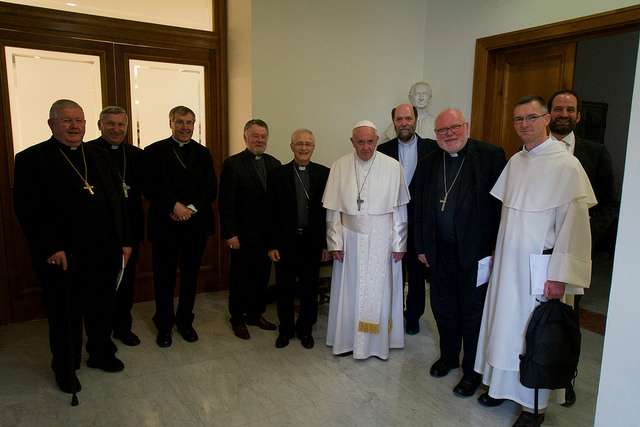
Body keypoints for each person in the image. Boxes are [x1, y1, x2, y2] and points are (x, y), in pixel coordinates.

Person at [474, 96, 596, 427]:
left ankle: (533, 407)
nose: (524, 124)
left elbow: (574, 231)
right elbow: (507, 217)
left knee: (535, 335)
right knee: (504, 327)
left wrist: (560, 276)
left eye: (531, 117)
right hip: (508, 266)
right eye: (518, 119)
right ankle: (500, 387)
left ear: (545, 120)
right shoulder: (515, 161)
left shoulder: (567, 165)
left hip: (540, 270)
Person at [13, 99, 132, 394]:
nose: (74, 126)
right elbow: (28, 210)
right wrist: (51, 247)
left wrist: (123, 241)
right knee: (65, 313)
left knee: (101, 306)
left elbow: (117, 200)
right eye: (67, 120)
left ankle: (100, 352)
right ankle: (64, 367)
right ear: (51, 124)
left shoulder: (98, 155)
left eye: (79, 120)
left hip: (104, 249)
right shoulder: (31, 158)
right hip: (63, 254)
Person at [413, 108, 505, 397]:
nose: (449, 134)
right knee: (442, 308)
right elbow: (418, 208)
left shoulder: (490, 156)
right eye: (442, 130)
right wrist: (421, 246)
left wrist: (494, 248)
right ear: (435, 135)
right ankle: (449, 357)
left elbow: (501, 207)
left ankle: (472, 370)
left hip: (475, 253)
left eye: (454, 127)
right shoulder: (428, 162)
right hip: (439, 252)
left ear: (466, 125)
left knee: (472, 313)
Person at [548, 89, 618, 407]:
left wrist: (586, 237)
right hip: (539, 250)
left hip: (574, 250)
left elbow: (607, 204)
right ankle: (534, 370)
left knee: (567, 317)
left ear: (578, 116)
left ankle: (565, 379)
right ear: (549, 114)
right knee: (537, 314)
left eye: (570, 109)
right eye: (558, 108)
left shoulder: (595, 153)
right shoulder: (534, 149)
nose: (564, 114)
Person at [323, 120, 410, 359]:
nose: (365, 147)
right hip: (350, 239)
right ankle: (348, 340)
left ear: (377, 141)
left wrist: (399, 244)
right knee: (350, 290)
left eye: (370, 141)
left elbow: (400, 209)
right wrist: (335, 242)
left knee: (380, 290)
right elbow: (333, 211)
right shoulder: (340, 166)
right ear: (352, 142)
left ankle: (376, 344)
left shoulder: (393, 167)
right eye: (360, 142)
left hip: (383, 238)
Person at [144, 106, 217, 348]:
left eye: (190, 122)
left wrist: (191, 209)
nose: (185, 127)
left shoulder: (203, 153)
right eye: (180, 122)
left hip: (194, 226)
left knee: (190, 277)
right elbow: (150, 187)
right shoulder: (154, 151)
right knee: (163, 277)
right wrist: (174, 206)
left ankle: (185, 321)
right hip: (165, 224)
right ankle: (164, 325)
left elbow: (210, 189)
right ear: (170, 123)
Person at [266, 129, 330, 349]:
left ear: (313, 147)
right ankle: (285, 330)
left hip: (311, 243)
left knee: (308, 290)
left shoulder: (324, 173)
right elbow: (271, 213)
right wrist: (271, 244)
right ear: (291, 146)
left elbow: (326, 214)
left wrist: (325, 244)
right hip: (285, 243)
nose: (304, 148)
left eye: (308, 144)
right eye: (299, 144)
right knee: (284, 289)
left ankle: (305, 330)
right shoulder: (277, 174)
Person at [378, 103, 437, 334]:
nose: (404, 123)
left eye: (408, 118)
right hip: (390, 221)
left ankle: (413, 316)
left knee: (416, 273)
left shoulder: (432, 148)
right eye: (399, 119)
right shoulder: (382, 150)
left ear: (415, 119)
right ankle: (390, 313)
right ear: (394, 122)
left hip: (420, 222)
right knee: (391, 270)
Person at [219, 119, 281, 339]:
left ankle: (255, 314)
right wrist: (230, 233)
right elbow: (226, 202)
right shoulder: (233, 164)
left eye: (263, 136)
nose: (259, 140)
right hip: (242, 234)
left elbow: (276, 203)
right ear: (245, 137)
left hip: (265, 236)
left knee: (261, 277)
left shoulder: (274, 163)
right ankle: (237, 318)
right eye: (255, 136)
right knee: (239, 278)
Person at [88, 106, 144, 347]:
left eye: (121, 124)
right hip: (100, 233)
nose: (116, 129)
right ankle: (100, 333)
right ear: (100, 125)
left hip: (130, 229)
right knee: (100, 287)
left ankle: (123, 327)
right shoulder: (87, 152)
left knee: (127, 283)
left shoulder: (136, 154)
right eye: (110, 124)